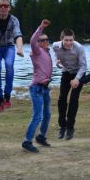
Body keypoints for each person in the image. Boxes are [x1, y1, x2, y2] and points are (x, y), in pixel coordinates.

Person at [0, 0, 24, 112]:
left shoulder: (14, 20)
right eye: (0, 6)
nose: (3, 8)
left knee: (9, 65)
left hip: (9, 47)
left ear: (9, 8)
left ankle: (7, 95)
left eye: (6, 6)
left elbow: (18, 35)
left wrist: (20, 49)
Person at [22, 19, 53, 153]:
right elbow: (32, 40)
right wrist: (41, 27)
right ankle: (27, 141)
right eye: (42, 40)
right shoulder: (37, 51)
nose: (45, 41)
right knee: (37, 116)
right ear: (38, 43)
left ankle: (41, 137)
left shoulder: (47, 52)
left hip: (45, 88)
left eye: (46, 39)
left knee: (47, 114)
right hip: (37, 88)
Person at [52, 29, 87, 140]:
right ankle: (62, 125)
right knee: (62, 98)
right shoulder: (55, 46)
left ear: (74, 39)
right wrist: (57, 63)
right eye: (66, 40)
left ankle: (70, 127)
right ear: (61, 39)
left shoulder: (79, 48)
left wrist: (76, 79)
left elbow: (83, 66)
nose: (68, 43)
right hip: (66, 72)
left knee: (73, 99)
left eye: (71, 40)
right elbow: (56, 57)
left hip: (78, 73)